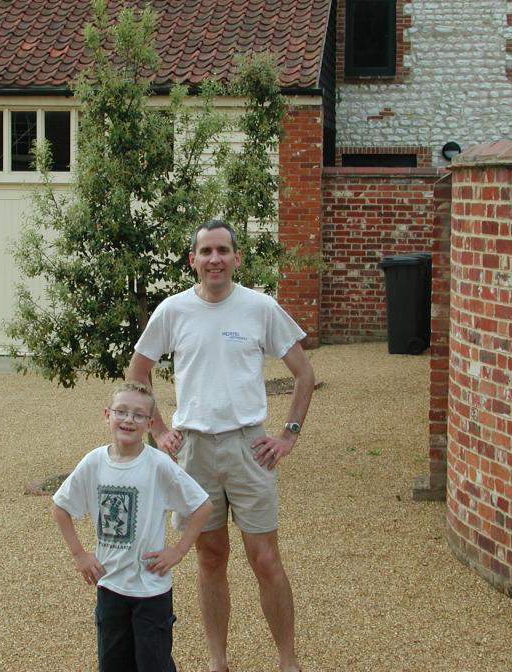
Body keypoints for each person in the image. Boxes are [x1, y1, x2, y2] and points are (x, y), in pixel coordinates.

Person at [127, 219, 314, 672]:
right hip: (194, 454)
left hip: (250, 449)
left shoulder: (260, 307)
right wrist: (158, 430)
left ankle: (288, 662)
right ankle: (218, 662)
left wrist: (287, 435)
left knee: (265, 558)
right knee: (210, 557)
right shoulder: (172, 311)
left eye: (223, 251)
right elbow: (138, 372)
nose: (215, 259)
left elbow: (304, 374)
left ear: (237, 258)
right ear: (192, 259)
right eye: (206, 251)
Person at [52, 380, 213, 672]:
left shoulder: (158, 465)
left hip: (151, 590)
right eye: (121, 411)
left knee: (154, 663)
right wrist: (79, 554)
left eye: (139, 415)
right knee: (113, 663)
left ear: (150, 423)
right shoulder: (93, 463)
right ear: (107, 415)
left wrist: (178, 550)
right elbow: (60, 507)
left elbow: (202, 505)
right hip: (110, 585)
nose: (129, 419)